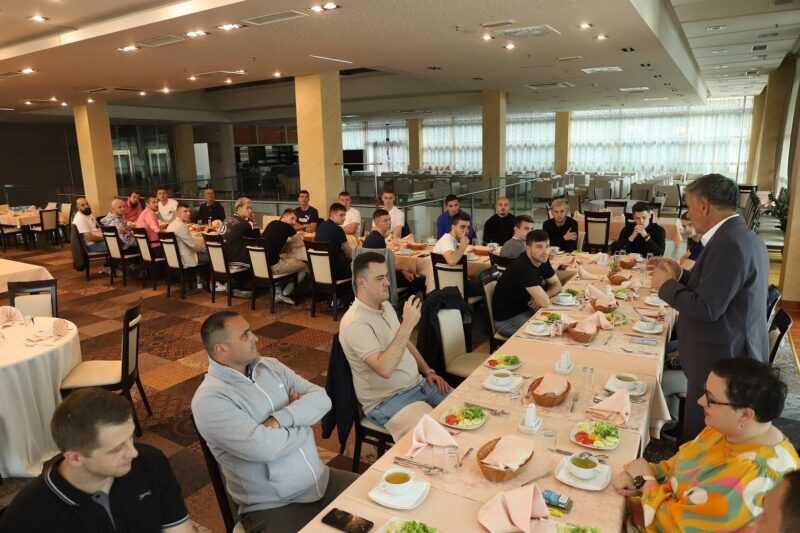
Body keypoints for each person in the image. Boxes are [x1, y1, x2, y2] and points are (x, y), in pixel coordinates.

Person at [192, 311, 357, 533]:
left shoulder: (270, 366)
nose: (255, 338)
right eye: (245, 335)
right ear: (221, 349)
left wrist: (279, 419)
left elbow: (322, 399)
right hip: (273, 506)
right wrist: (304, 422)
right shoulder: (210, 400)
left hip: (322, 480)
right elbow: (264, 448)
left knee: (383, 507)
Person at [613, 358, 798, 532]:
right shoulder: (729, 429)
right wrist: (641, 478)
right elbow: (677, 467)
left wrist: (645, 481)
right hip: (649, 507)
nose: (700, 401)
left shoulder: (753, 477)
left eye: (711, 398)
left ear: (745, 415)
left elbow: (675, 527)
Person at [651, 173, 769, 441]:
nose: (688, 214)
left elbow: (707, 307)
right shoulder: (736, 235)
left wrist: (665, 286)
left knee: (705, 436)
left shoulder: (730, 244)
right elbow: (716, 288)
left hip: (723, 356)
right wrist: (680, 274)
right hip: (724, 348)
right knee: (702, 428)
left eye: (690, 207)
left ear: (704, 206)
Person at [0, 388, 195, 533]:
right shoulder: (27, 516)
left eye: (130, 438)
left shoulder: (150, 462)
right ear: (75, 458)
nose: (134, 452)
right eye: (117, 449)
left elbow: (178, 527)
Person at [339, 253, 451, 427]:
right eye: (380, 278)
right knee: (438, 431)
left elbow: (404, 342)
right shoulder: (354, 323)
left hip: (418, 385)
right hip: (388, 401)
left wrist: (428, 371)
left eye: (386, 276)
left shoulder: (385, 306)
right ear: (361, 282)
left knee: (463, 409)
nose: (388, 283)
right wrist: (407, 325)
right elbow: (384, 369)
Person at [492, 230, 562, 337]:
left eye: (547, 246)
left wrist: (545, 295)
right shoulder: (523, 267)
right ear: (528, 248)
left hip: (527, 310)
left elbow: (557, 285)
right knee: (550, 333)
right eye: (539, 247)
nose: (545, 252)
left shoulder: (542, 259)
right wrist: (541, 298)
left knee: (559, 324)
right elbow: (545, 303)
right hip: (507, 321)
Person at [363, 208, 425, 294]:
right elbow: (385, 266)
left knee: (410, 275)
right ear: (376, 222)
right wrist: (403, 270)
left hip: (371, 277)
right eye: (385, 221)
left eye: (389, 220)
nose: (389, 223)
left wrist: (402, 271)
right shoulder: (378, 240)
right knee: (420, 279)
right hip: (382, 279)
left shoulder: (370, 237)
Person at [261, 208, 307, 305]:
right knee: (304, 266)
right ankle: (285, 293)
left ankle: (278, 292)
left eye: (295, 220)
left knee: (283, 256)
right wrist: (299, 234)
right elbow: (300, 243)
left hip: (263, 266)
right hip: (273, 267)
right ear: (284, 216)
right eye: (292, 218)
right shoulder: (288, 228)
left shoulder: (272, 223)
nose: (294, 222)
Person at [432, 212, 481, 297]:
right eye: (462, 227)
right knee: (489, 283)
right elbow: (451, 261)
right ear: (453, 227)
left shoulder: (453, 240)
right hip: (451, 288)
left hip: (453, 284)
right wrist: (462, 246)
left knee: (484, 278)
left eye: (467, 227)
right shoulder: (446, 240)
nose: (466, 231)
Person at [315, 203, 352, 279]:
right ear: (332, 214)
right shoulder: (338, 230)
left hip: (320, 270)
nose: (344, 218)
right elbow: (349, 253)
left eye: (344, 215)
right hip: (335, 272)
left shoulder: (321, 225)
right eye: (341, 215)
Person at [166, 203, 208, 269]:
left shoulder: (171, 224)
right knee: (213, 255)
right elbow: (193, 245)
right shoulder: (181, 226)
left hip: (173, 259)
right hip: (186, 259)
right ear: (177, 213)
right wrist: (205, 248)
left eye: (189, 211)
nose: (189, 213)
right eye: (185, 211)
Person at [220, 196, 258, 268]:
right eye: (247, 208)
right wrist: (253, 221)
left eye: (251, 208)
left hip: (225, 260)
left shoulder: (226, 219)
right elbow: (256, 241)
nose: (250, 211)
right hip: (238, 262)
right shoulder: (245, 224)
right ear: (239, 208)